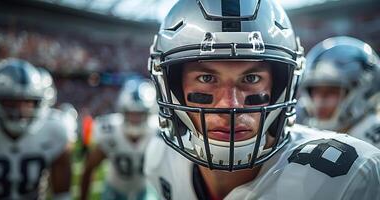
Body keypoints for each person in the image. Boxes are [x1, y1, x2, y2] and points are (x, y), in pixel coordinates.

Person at [144, 0, 380, 199]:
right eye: (206, 78)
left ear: (280, 86)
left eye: (252, 77)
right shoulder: (160, 160)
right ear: (172, 86)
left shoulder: (348, 178)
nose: (231, 105)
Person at [0, 58, 72, 200]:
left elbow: (62, 195)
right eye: (11, 102)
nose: (20, 111)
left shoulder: (54, 129)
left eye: (28, 102)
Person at [80, 78, 158, 200]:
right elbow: (90, 167)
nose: (135, 119)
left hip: (144, 191)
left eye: (140, 113)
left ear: (149, 113)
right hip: (114, 191)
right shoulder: (110, 131)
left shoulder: (157, 132)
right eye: (131, 113)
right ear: (123, 111)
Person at [297, 36, 380, 147]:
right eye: (315, 91)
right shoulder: (305, 129)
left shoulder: (372, 142)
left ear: (364, 93)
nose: (319, 101)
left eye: (331, 91)